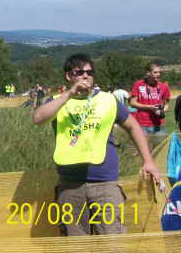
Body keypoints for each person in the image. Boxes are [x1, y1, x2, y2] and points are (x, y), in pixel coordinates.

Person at [33, 53, 160, 236]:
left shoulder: (108, 100)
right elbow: (38, 119)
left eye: (89, 72)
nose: (85, 76)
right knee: (76, 246)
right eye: (79, 72)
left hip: (105, 183)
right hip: (70, 185)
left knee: (112, 243)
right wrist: (69, 94)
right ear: (68, 76)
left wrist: (148, 161)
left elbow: (134, 127)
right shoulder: (57, 101)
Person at [130, 63, 170, 136]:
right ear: (148, 72)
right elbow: (132, 103)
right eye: (155, 72)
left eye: (159, 72)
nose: (158, 74)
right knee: (143, 144)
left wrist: (161, 111)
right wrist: (150, 107)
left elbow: (167, 105)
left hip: (159, 125)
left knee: (160, 144)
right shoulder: (138, 84)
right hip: (142, 125)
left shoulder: (164, 86)